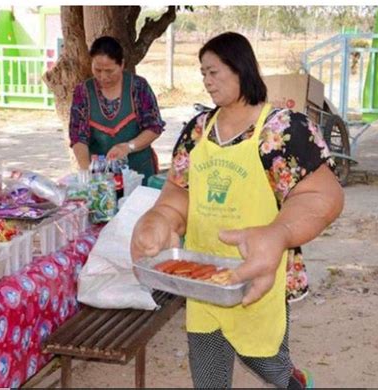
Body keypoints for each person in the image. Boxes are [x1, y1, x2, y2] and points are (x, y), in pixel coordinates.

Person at [131, 32, 344, 389]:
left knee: (266, 363)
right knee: (209, 378)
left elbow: (324, 196)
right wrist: (160, 218)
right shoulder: (197, 131)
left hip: (260, 273)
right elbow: (177, 192)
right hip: (203, 276)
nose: (207, 81)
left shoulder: (283, 130)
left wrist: (279, 233)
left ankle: (295, 381)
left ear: (241, 68)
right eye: (203, 74)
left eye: (214, 72)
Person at [69, 36, 165, 182]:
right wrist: (86, 170)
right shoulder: (83, 92)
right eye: (97, 69)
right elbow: (78, 137)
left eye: (109, 71)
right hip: (101, 176)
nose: (103, 76)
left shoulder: (138, 87)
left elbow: (154, 127)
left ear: (121, 65)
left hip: (139, 172)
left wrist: (128, 147)